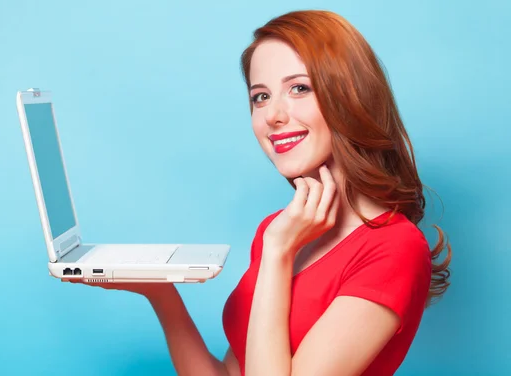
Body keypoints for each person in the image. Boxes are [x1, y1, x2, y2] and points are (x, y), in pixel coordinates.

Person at [73, 9, 452, 376]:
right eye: (260, 96)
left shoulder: (393, 249)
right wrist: (159, 293)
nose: (272, 115)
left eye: (299, 88)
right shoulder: (281, 230)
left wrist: (277, 253)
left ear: (351, 96)